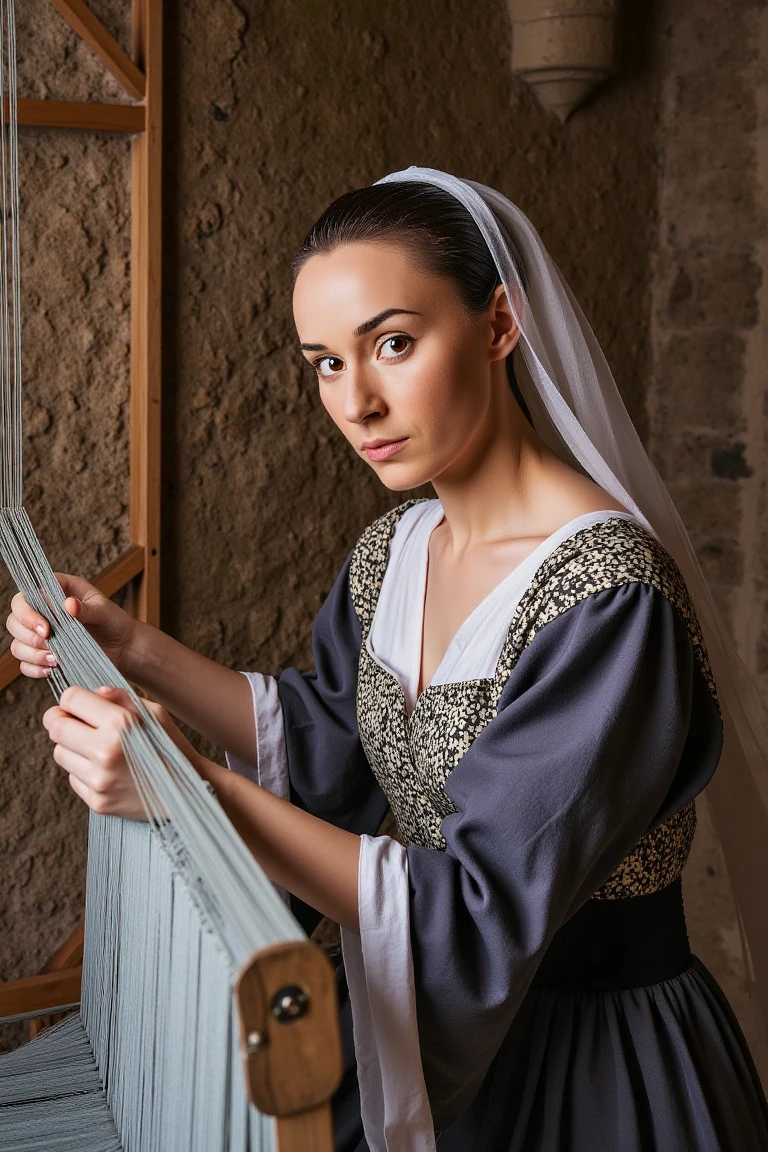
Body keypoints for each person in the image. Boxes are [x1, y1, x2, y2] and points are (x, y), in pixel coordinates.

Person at [6, 168, 768, 1151]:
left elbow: (475, 905)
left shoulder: (609, 600)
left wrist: (182, 788)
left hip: (591, 1063)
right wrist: (134, 648)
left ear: (499, 325)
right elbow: (332, 742)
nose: (357, 402)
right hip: (426, 1033)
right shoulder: (398, 547)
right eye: (324, 362)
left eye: (394, 344)